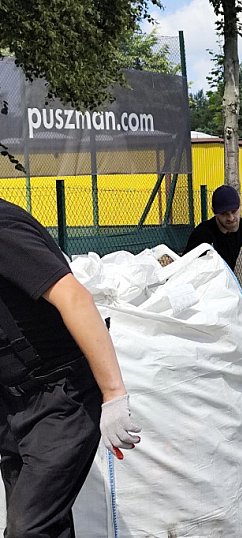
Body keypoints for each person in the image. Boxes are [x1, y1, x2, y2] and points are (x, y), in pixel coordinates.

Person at [0, 198, 141, 536]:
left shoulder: (3, 229)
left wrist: (113, 394)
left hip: (61, 398)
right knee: (48, 523)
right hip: (13, 404)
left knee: (28, 530)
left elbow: (74, 298)